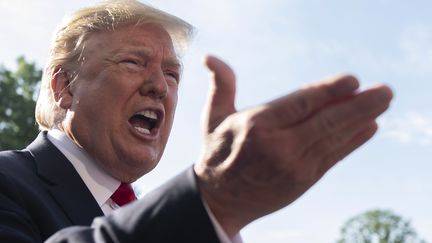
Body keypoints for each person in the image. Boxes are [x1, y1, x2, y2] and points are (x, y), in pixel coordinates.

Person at [0, 0, 393, 242]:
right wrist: (214, 198)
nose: (159, 86)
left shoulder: (137, 212)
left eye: (172, 74)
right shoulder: (8, 183)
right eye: (133, 62)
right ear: (64, 86)